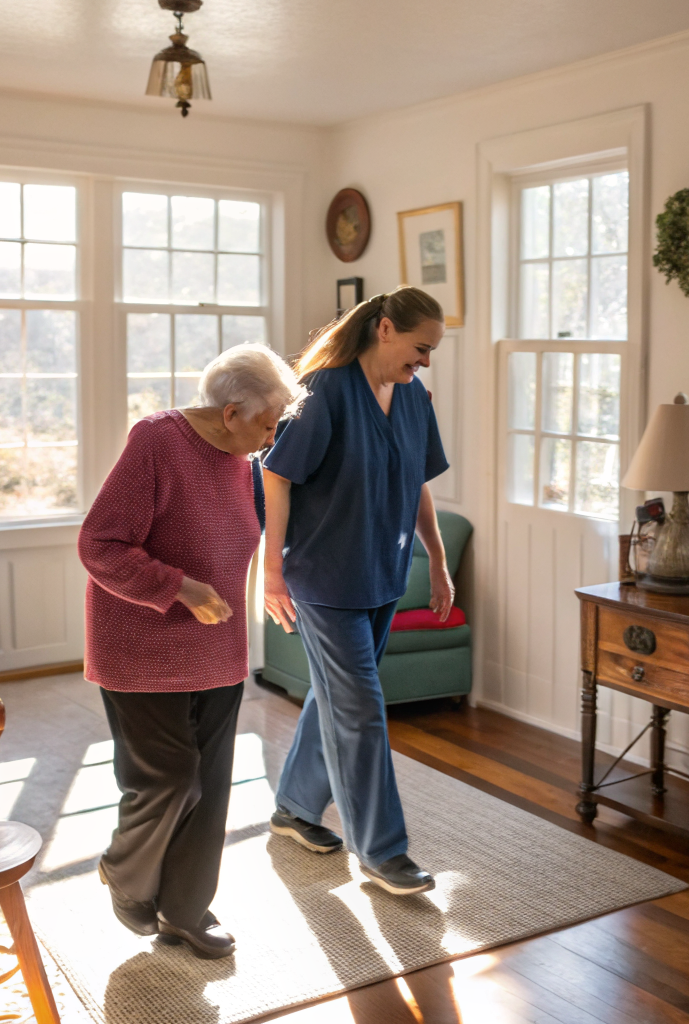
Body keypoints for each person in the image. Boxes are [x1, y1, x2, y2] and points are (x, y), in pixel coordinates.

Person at [78, 343, 305, 958]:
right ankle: (125, 871)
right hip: (141, 649)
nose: (272, 437)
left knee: (210, 787)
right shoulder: (158, 441)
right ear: (231, 413)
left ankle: (185, 911)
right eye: (267, 424)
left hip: (218, 649)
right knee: (169, 781)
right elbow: (100, 544)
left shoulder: (242, 460)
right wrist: (178, 587)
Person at [263, 286, 452, 896]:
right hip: (323, 576)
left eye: (432, 352)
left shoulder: (414, 397)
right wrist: (271, 570)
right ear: (386, 329)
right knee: (362, 711)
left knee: (338, 700)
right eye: (421, 347)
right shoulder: (324, 390)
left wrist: (438, 561)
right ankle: (382, 852)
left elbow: (418, 481)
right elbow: (276, 472)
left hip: (382, 573)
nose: (425, 361)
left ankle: (294, 808)